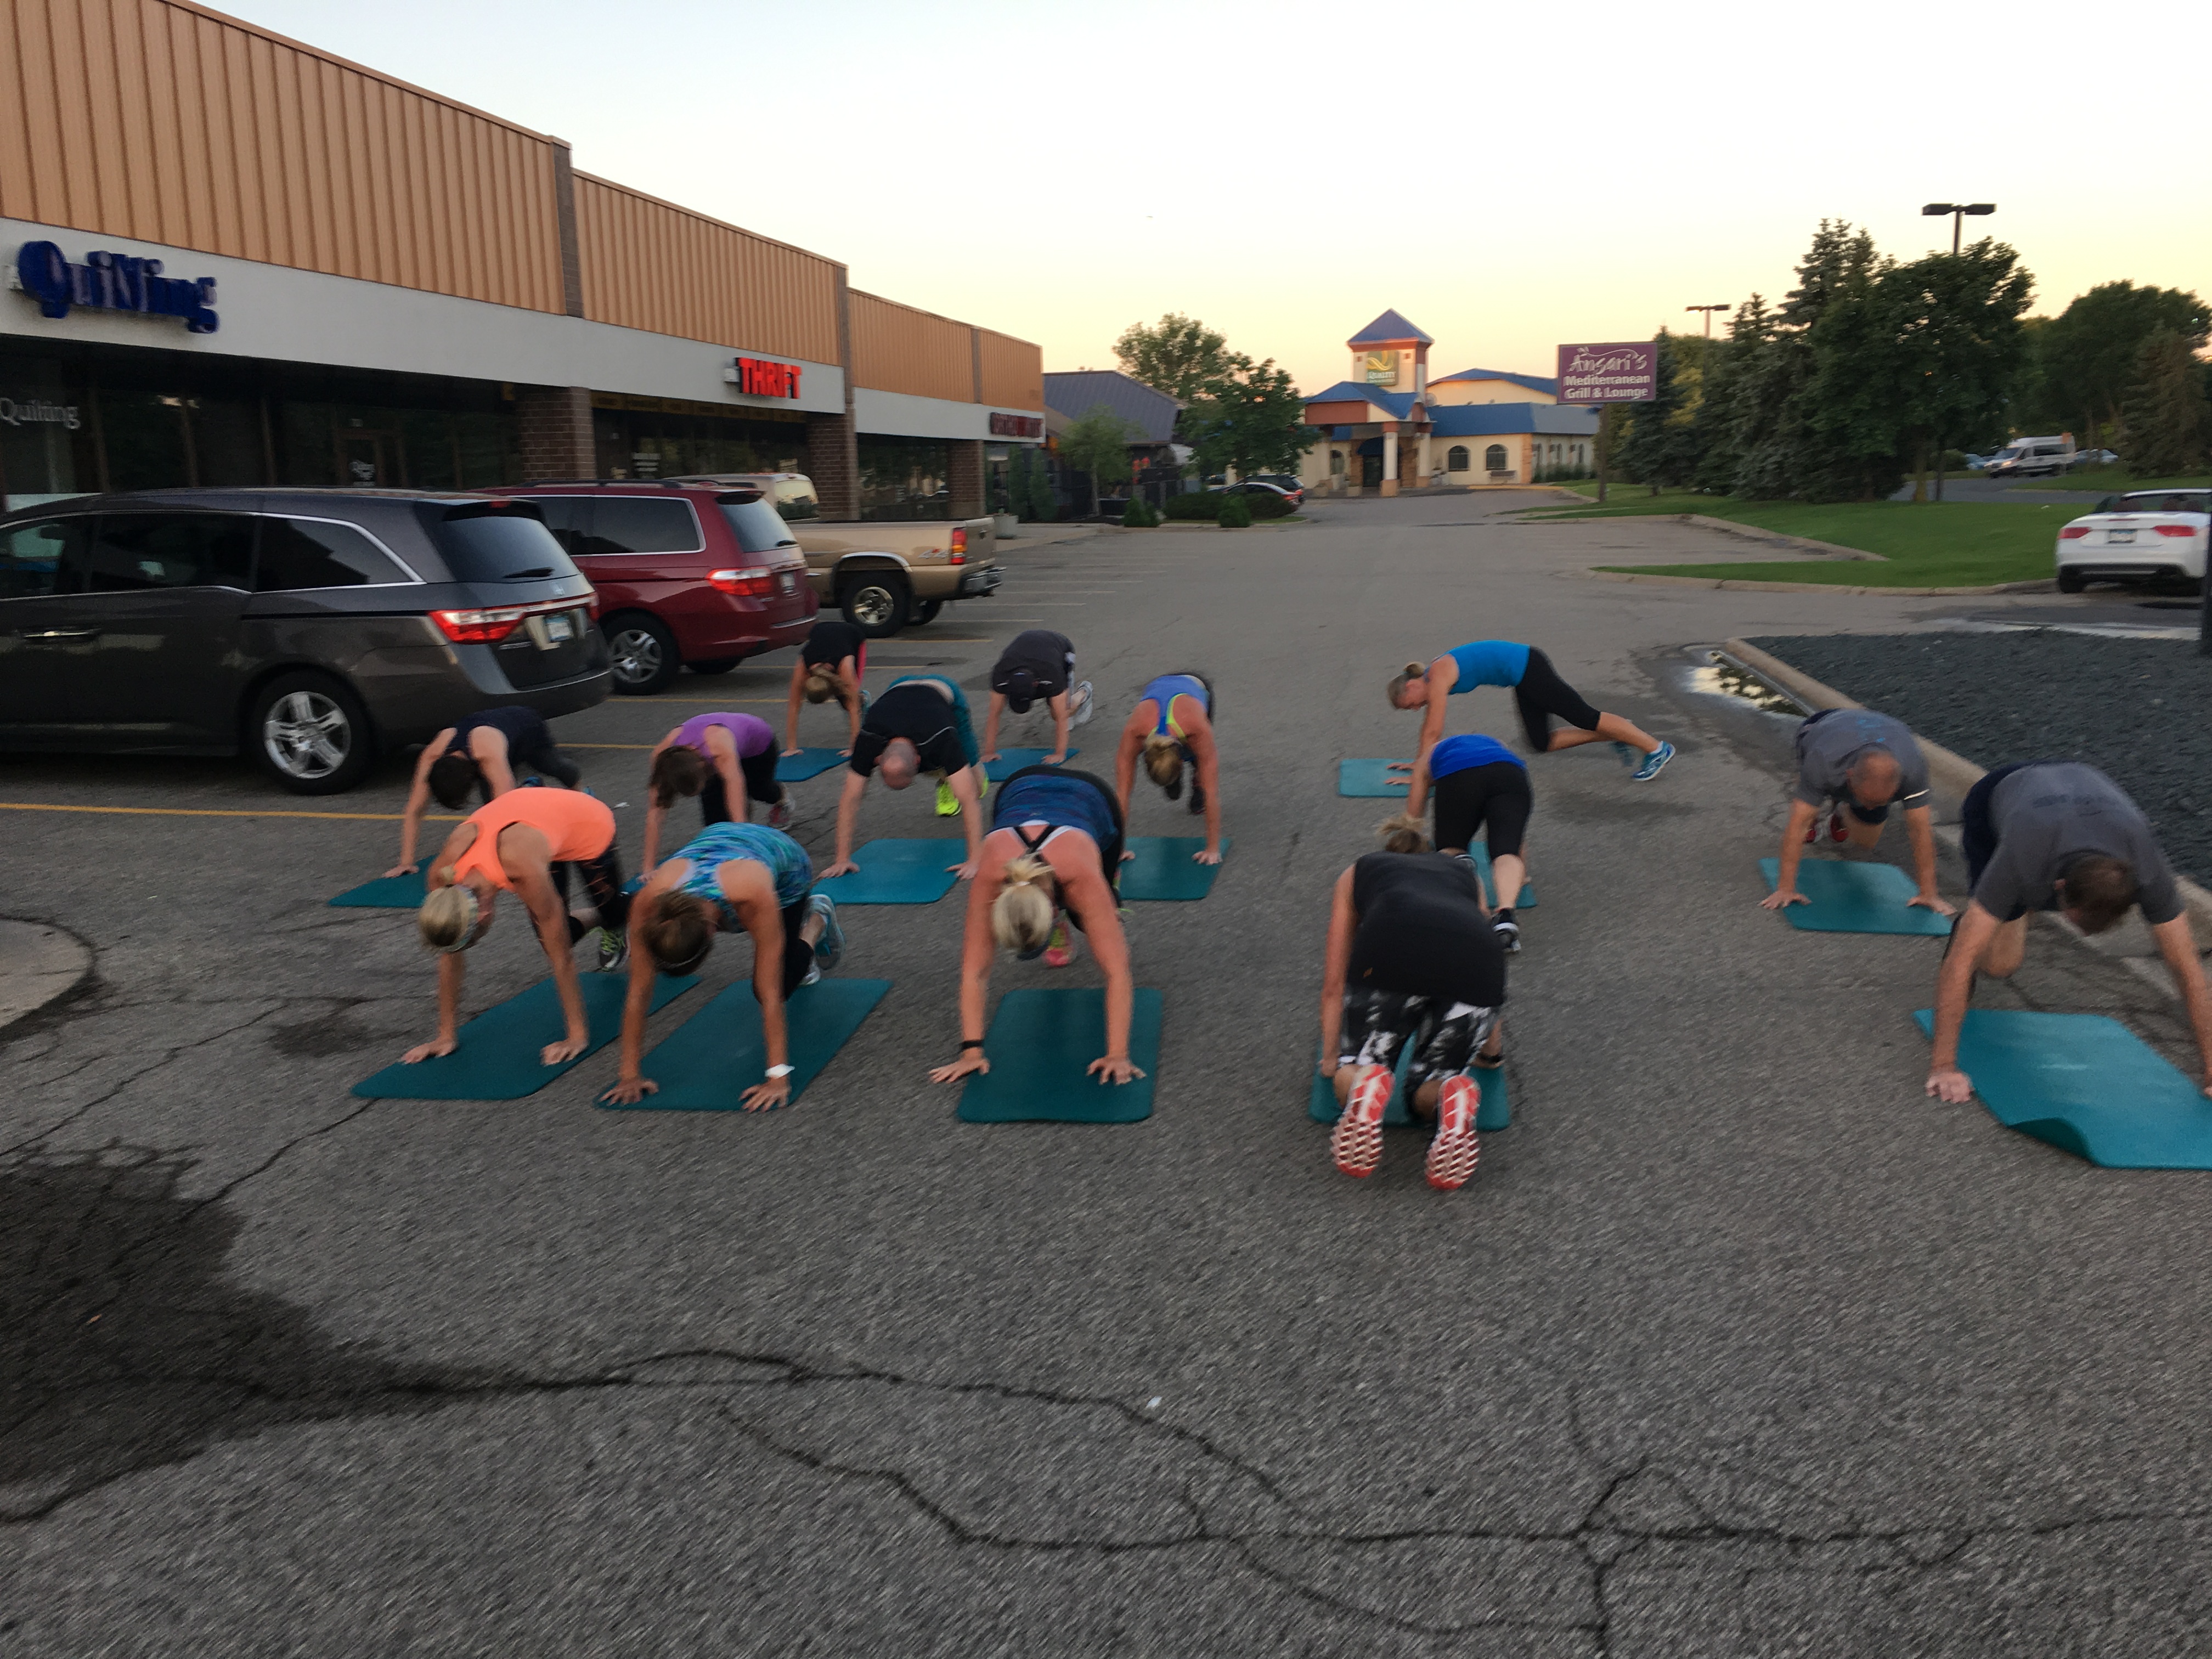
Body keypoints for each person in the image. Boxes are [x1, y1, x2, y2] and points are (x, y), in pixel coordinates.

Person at [1928, 760, 2212, 1104]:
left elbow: (2187, 969)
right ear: (2059, 887)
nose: (2086, 937)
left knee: (2003, 931)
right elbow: (1961, 961)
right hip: (1997, 802)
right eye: (2077, 922)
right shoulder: (2022, 859)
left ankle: (2005, 913)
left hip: (2072, 796)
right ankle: (1976, 921)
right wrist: (1944, 1066)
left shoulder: (2147, 868)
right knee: (1997, 964)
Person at [1318, 817, 1506, 1191]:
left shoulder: (1359, 871)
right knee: (1428, 1094)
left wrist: (1330, 1062)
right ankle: (1451, 1090)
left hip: (1392, 947)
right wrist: (1491, 1053)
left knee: (1354, 1072)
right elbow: (1488, 952)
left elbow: (1334, 985)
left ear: (1391, 851)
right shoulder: (1465, 874)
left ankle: (1364, 1080)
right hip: (1477, 962)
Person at [601, 822, 844, 1111]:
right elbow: (638, 992)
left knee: (778, 984)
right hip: (719, 840)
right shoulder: (649, 904)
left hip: (784, 859)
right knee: (674, 972)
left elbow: (770, 996)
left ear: (711, 932)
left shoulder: (751, 896)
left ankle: (817, 919)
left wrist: (777, 1078)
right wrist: (629, 1075)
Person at [928, 764, 1143, 1087]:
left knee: (1096, 918)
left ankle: (1087, 904)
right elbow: (975, 970)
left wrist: (1118, 1054)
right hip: (1019, 786)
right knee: (1087, 912)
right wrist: (971, 1052)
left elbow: (1117, 972)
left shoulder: (1080, 875)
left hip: (1092, 796)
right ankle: (1061, 923)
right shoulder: (991, 872)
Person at [403, 787, 632, 1068]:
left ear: (483, 915)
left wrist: (576, 1036)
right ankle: (599, 918)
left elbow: (561, 956)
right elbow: (449, 952)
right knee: (559, 932)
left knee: (609, 915)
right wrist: (445, 1035)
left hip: (585, 820)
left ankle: (650, 901)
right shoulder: (442, 877)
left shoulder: (520, 870)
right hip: (533, 821)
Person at [1387, 641, 1673, 782]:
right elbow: (1429, 726)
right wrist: (1419, 763)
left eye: (1410, 704)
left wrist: (1420, 773)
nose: (1416, 708)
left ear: (1411, 685)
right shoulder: (1433, 676)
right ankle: (1620, 731)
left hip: (1528, 668)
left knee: (1585, 717)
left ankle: (1657, 749)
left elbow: (1433, 730)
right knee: (1540, 742)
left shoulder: (1437, 676)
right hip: (1521, 677)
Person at [1762, 708, 1953, 917]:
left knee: (1866, 835)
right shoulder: (1823, 761)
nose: (1870, 806)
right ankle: (1817, 814)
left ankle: (1841, 814)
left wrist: (1928, 893)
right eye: (1867, 800)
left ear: (1898, 785)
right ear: (1850, 775)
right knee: (1808, 805)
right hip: (1823, 726)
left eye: (1879, 802)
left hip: (1884, 731)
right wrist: (1786, 889)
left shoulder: (1914, 769)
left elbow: (1921, 831)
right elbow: (1797, 825)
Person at [820, 675, 988, 881]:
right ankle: (950, 775)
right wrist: (842, 859)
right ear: (878, 759)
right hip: (897, 688)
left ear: (919, 760)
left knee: (976, 787)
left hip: (944, 692)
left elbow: (969, 799)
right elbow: (850, 798)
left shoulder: (942, 737)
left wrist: (974, 860)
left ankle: (948, 778)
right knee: (958, 775)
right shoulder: (869, 741)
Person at [387, 706, 581, 877]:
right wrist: (406, 862)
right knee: (490, 805)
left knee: (554, 766)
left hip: (526, 727)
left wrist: (488, 853)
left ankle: (579, 795)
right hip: (493, 737)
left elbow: (507, 806)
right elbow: (415, 809)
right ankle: (528, 794)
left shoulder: (486, 754)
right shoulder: (432, 756)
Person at [1402, 731, 1531, 951]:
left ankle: (1480, 913)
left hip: (1460, 775)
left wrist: (1408, 854)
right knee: (1506, 851)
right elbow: (1518, 838)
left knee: (1451, 850)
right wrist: (1522, 874)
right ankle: (1505, 915)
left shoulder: (1431, 755)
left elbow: (1413, 819)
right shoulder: (1499, 747)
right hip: (1511, 776)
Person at [642, 711, 788, 868]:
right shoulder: (662, 760)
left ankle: (783, 798)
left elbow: (737, 806)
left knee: (759, 790)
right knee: (715, 822)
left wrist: (744, 848)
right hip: (715, 753)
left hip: (757, 744)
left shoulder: (718, 749)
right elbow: (655, 813)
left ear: (703, 767)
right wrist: (648, 868)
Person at [1114, 672, 1223, 865]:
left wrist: (1212, 849)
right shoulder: (1134, 732)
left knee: (1202, 765)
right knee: (1172, 790)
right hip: (1160, 687)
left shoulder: (1196, 728)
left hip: (1196, 686)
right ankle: (1172, 779)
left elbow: (1212, 791)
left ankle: (1194, 779)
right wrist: (1118, 849)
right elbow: (1122, 793)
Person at [981, 628, 1092, 766]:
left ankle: (1084, 692)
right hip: (1029, 650)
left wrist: (1059, 753)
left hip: (1061, 648)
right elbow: (994, 714)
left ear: (1035, 685)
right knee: (1059, 712)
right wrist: (989, 752)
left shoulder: (1052, 674)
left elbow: (1062, 716)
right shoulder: (1001, 674)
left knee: (1059, 713)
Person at [783, 617, 867, 757]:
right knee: (847, 697)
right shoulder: (803, 666)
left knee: (849, 702)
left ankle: (862, 698)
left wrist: (854, 748)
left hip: (853, 635)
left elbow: (854, 708)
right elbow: (793, 706)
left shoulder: (845, 666)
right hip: (821, 630)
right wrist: (791, 748)